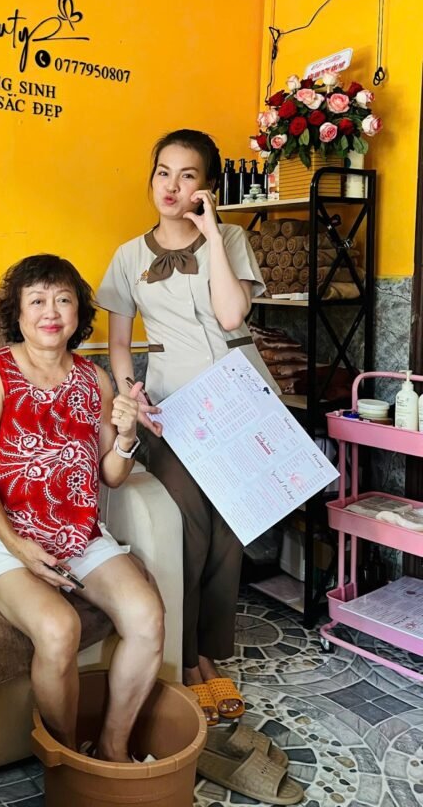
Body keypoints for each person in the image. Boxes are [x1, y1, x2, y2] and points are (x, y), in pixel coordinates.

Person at [97, 129, 279, 726]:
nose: (172, 186)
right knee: (190, 531)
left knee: (230, 534)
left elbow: (231, 315)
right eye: (163, 172)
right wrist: (131, 392)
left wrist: (213, 236)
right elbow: (119, 343)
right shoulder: (129, 256)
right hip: (173, 405)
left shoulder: (231, 238)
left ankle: (207, 655)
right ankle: (183, 654)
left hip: (240, 397)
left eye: (188, 175)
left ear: (208, 186)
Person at [0, 254, 165, 762]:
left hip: (78, 531)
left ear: (78, 313)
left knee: (147, 617)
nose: (50, 312)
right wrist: (17, 546)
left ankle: (111, 751)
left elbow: (111, 475)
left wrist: (127, 436)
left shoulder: (96, 380)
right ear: (19, 313)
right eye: (37, 301)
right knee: (59, 628)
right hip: (5, 534)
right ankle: (69, 760)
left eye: (63, 300)